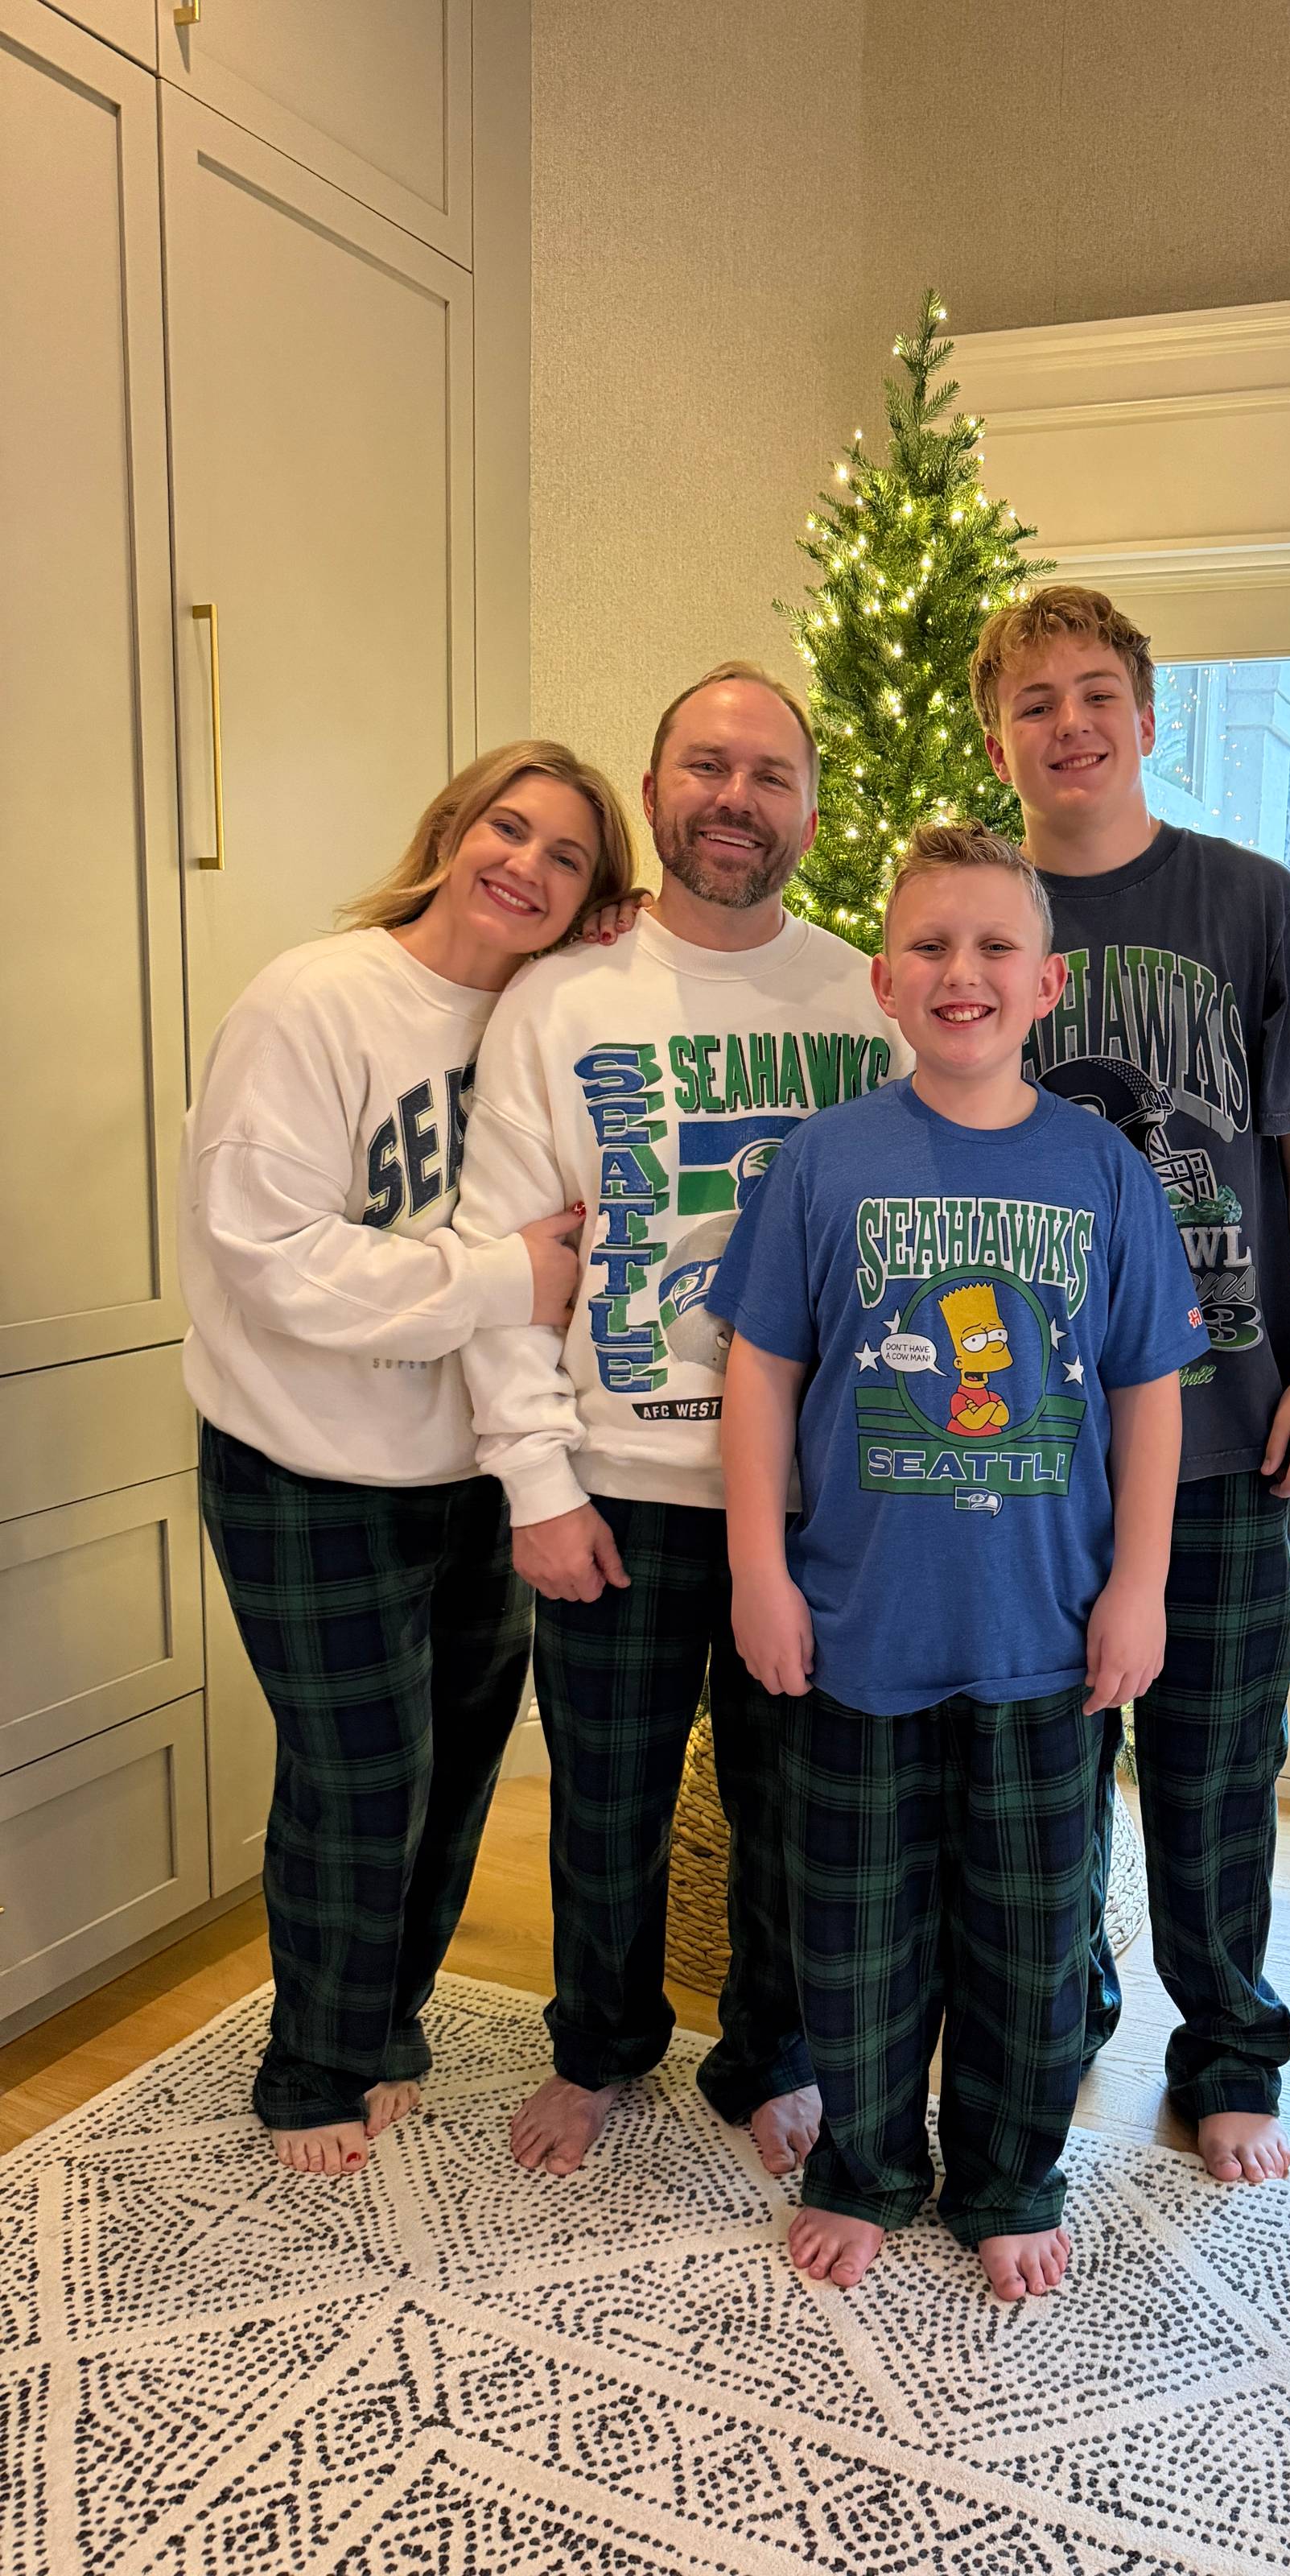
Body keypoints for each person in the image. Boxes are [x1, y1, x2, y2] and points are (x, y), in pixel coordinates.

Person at [711, 823, 1207, 2298]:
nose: (962, 972)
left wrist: (1140, 1585)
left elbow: (1148, 1392)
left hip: (1047, 1639)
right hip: (860, 1628)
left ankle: (1008, 2173)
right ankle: (868, 2165)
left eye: (995, 946)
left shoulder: (1103, 1169)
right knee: (857, 1936)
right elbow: (761, 1376)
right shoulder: (825, 1159)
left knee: (1033, 1940)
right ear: (881, 978)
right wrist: (760, 1568)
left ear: (1046, 983)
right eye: (930, 944)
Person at [455, 663, 909, 2180]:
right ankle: (599, 2047)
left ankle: (770, 2052)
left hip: (817, 1503)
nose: (736, 798)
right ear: (653, 795)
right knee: (605, 1806)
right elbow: (506, 1259)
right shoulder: (561, 996)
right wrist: (536, 1482)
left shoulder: (872, 996)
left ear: (812, 809)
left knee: (795, 1808)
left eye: (771, 774)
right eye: (706, 768)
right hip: (621, 1483)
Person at [183, 740, 637, 2175]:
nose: (529, 867)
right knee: (357, 1781)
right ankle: (312, 2065)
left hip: (473, 1478)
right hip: (306, 1472)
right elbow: (272, 1262)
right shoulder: (319, 1000)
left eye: (569, 858)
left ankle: (387, 2028)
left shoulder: (550, 1014)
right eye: (510, 829)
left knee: (450, 1784)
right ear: (451, 829)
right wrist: (500, 1278)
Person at [968, 585, 1290, 2185]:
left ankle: (1228, 2049)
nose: (1069, 724)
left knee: (1215, 1762)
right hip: (1024, 1439)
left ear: (1150, 715)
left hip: (1218, 1422)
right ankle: (1057, 2015)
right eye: (1034, 702)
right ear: (998, 738)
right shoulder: (976, 918)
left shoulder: (1253, 904)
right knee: (1050, 1761)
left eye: (1096, 695)